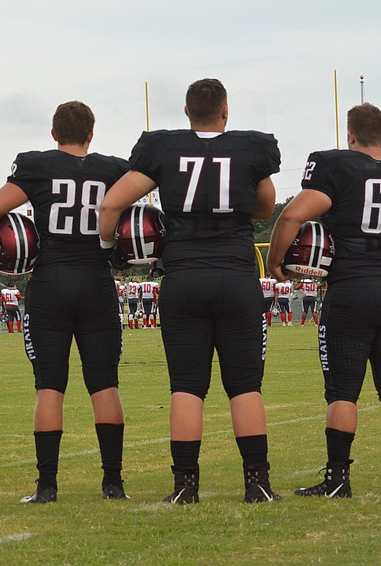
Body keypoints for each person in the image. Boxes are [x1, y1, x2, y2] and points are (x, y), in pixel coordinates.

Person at [99, 78, 281, 504]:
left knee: (186, 385)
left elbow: (110, 205)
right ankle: (257, 484)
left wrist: (110, 250)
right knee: (245, 385)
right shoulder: (251, 148)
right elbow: (266, 205)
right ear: (225, 111)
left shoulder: (163, 148)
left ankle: (185, 486)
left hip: (184, 277)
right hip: (236, 276)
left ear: (185, 112)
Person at [267, 102, 381, 498]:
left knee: (343, 391)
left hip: (353, 290)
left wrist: (276, 262)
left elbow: (292, 216)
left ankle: (338, 478)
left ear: (351, 136)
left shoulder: (336, 167)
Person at [0, 100, 129, 503]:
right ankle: (113, 484)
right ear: (91, 134)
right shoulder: (112, 169)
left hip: (51, 284)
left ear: (53, 133)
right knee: (105, 385)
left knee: (49, 388)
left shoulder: (37, 165)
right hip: (96, 282)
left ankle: (47, 487)